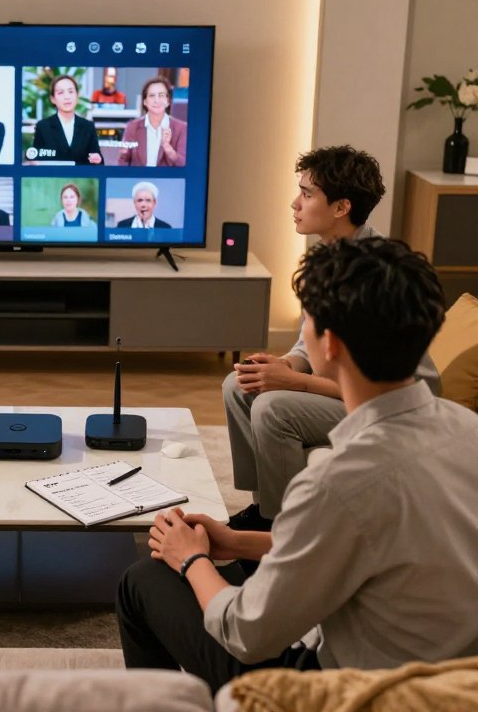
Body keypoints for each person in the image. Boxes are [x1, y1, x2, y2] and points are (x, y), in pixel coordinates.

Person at [117, 236, 478, 694]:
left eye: (306, 320)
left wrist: (190, 559)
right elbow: (372, 543)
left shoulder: (338, 482)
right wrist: (237, 542)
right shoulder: (467, 430)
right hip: (450, 680)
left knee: (143, 580)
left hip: (353, 689)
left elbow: (246, 633)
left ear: (328, 344)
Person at [223, 146, 439, 531]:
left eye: (307, 194)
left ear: (341, 207)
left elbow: (381, 383)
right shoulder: (332, 258)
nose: (295, 203)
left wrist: (296, 381)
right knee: (239, 383)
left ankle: (286, 525)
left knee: (272, 408)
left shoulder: (371, 274)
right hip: (351, 389)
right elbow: (310, 345)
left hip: (386, 405)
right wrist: (285, 364)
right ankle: (264, 507)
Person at [31, 74, 103, 165]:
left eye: (71, 91)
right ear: (53, 99)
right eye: (60, 93)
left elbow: (99, 161)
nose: (67, 97)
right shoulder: (43, 126)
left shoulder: (88, 126)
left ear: (77, 95)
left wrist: (97, 159)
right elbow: (36, 159)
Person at [117, 76, 186, 167]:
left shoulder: (181, 128)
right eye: (152, 96)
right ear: (145, 101)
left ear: (168, 101)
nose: (156, 100)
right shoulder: (132, 127)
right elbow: (122, 161)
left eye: (161, 95)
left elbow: (184, 165)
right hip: (138, 180)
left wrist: (168, 148)